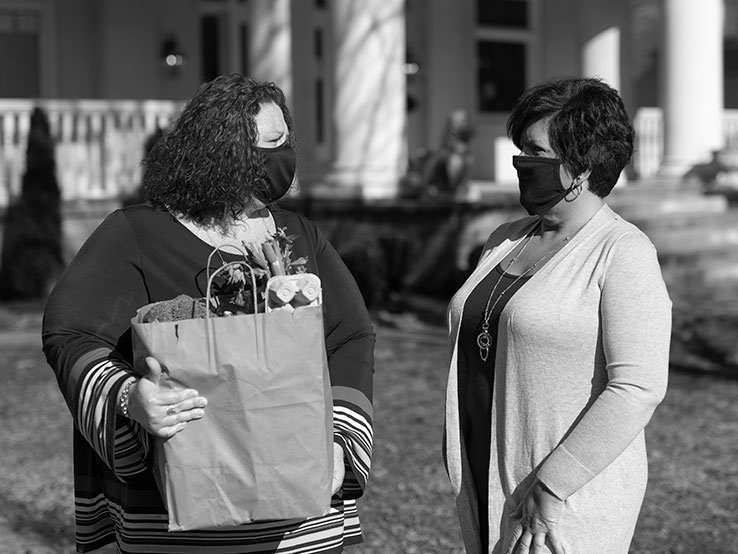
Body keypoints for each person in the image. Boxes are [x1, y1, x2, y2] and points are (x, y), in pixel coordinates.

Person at [42, 74, 375, 554]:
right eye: (262, 148)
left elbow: (350, 338)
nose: (278, 159)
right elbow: (69, 332)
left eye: (282, 142)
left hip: (300, 527)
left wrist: (341, 441)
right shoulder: (137, 233)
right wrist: (129, 397)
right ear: (214, 156)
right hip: (178, 524)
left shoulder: (301, 236)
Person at [443, 76, 671, 554]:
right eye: (521, 147)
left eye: (536, 150)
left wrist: (553, 484)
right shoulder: (505, 237)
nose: (521, 162)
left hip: (563, 503)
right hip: (489, 478)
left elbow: (637, 388)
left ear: (583, 167)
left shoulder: (623, 253)